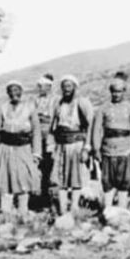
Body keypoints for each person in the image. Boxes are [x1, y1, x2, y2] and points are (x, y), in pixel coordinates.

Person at [90, 73, 130, 210]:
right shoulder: (103, 109)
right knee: (107, 180)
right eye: (114, 91)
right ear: (110, 92)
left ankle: (121, 210)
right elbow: (96, 129)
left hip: (125, 149)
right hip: (107, 149)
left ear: (124, 92)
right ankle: (107, 210)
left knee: (124, 180)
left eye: (119, 91)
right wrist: (96, 149)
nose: (116, 94)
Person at [0, 81, 42, 217]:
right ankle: (5, 211)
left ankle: (22, 211)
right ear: (8, 93)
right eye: (11, 91)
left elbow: (36, 131)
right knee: (4, 177)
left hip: (23, 148)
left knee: (23, 178)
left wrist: (36, 153)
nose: (14, 93)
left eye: (16, 90)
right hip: (5, 148)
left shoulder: (30, 107)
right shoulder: (3, 107)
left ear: (21, 92)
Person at [49, 75, 95, 216]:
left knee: (76, 177)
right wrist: (51, 146)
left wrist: (87, 148)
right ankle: (62, 209)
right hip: (61, 144)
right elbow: (53, 127)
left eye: (69, 86)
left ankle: (74, 207)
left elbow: (91, 126)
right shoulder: (58, 103)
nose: (66, 89)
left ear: (75, 87)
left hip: (77, 143)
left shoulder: (83, 103)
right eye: (64, 87)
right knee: (60, 178)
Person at [33, 73, 59, 208]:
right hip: (38, 135)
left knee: (49, 165)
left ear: (48, 86)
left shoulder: (55, 100)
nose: (39, 88)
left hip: (50, 135)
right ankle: (41, 194)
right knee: (40, 165)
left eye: (41, 86)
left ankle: (49, 196)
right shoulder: (36, 100)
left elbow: (55, 118)